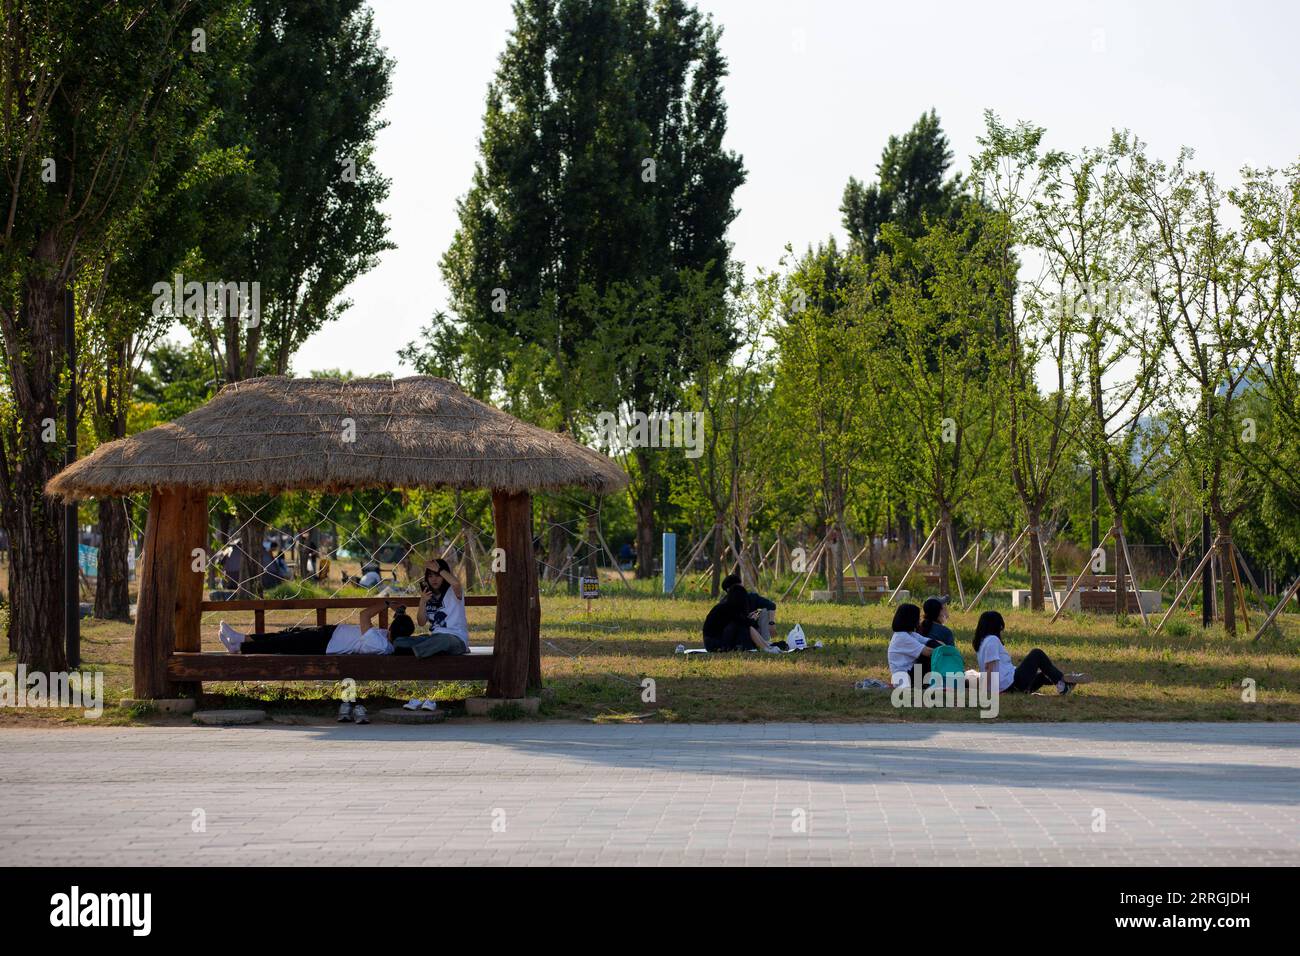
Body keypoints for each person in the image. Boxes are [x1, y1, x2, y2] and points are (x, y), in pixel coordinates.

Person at [217, 602, 414, 655]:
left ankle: (240, 648)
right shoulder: (388, 639)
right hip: (329, 635)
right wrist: (398, 610)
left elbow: (364, 615)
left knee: (282, 643)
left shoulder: (380, 644)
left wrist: (387, 603)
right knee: (285, 635)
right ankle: (241, 639)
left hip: (326, 644)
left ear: (392, 629)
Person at [973, 610, 1092, 695]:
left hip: (1010, 685)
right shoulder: (992, 641)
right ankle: (1063, 681)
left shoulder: (982, 644)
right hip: (1011, 684)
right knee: (1037, 654)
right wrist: (986, 692)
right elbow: (989, 668)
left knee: (1043, 674)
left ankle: (1065, 683)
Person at [397, 558, 470, 657]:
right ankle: (421, 651)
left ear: (444, 575)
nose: (434, 579)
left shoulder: (453, 591)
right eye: (430, 576)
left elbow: (456, 583)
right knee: (400, 641)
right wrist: (422, 601)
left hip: (455, 639)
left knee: (443, 641)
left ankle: (415, 652)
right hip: (434, 638)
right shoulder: (428, 595)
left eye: (437, 576)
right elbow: (421, 622)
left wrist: (439, 569)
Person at [703, 583, 781, 653]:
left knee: (746, 626)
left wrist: (749, 620)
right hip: (714, 644)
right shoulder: (727, 608)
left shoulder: (727, 606)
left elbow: (740, 621)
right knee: (747, 627)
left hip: (715, 640)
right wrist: (752, 619)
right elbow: (743, 623)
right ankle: (766, 648)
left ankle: (767, 647)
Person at [887, 602, 942, 685]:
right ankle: (928, 682)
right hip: (904, 679)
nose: (919, 620)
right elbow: (928, 652)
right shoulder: (902, 637)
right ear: (911, 619)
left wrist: (944, 647)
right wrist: (947, 653)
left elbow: (930, 641)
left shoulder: (910, 634)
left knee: (932, 644)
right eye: (917, 617)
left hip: (910, 674)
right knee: (927, 655)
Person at [722, 572, 778, 642]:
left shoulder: (751, 597)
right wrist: (747, 619)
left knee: (764, 612)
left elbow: (771, 605)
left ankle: (765, 642)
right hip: (737, 635)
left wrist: (771, 623)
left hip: (754, 630)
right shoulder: (725, 603)